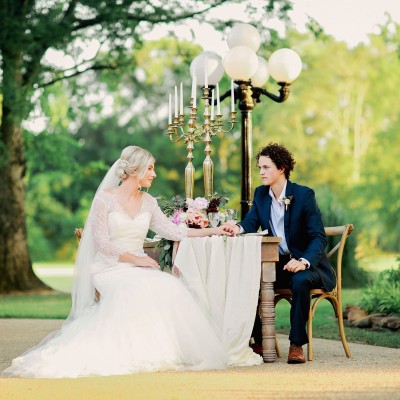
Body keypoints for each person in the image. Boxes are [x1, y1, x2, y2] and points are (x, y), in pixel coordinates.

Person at [3, 145, 234, 378]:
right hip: (109, 267)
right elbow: (102, 244)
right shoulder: (105, 199)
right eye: (150, 168)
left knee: (168, 285)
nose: (154, 174)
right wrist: (137, 259)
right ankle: (127, 352)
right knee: (135, 287)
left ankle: (154, 352)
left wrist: (215, 230)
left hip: (138, 268)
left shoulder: (149, 201)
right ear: (134, 170)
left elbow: (174, 231)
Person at [224, 143, 334, 364]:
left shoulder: (303, 195)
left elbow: (318, 237)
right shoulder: (261, 194)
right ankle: (259, 341)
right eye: (260, 168)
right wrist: (237, 227)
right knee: (249, 279)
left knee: (300, 281)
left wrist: (303, 261)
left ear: (282, 168)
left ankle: (296, 345)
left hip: (309, 265)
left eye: (266, 167)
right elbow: (251, 221)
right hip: (279, 264)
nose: (261, 172)